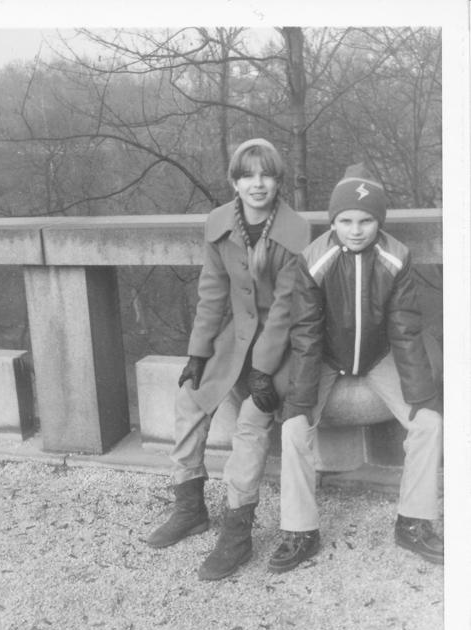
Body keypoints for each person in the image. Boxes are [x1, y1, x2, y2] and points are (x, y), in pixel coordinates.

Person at [268, 163, 444, 574]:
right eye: (346, 220)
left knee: (430, 422)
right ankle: (300, 530)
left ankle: (413, 522)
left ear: (379, 221)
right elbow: (306, 335)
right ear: (333, 221)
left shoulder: (396, 257)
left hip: (379, 356)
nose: (356, 229)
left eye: (366, 220)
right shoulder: (314, 260)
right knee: (293, 428)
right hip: (327, 357)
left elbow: (405, 330)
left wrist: (421, 397)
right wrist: (300, 403)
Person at [147, 138, 309, 580]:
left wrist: (263, 370)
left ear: (278, 181)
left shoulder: (295, 232)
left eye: (267, 174)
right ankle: (190, 509)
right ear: (234, 182)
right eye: (247, 175)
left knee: (252, 420)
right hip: (234, 337)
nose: (257, 184)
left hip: (281, 344)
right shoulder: (219, 223)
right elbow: (212, 292)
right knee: (190, 398)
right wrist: (198, 353)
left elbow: (285, 310)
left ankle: (237, 533)